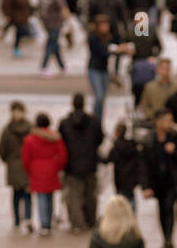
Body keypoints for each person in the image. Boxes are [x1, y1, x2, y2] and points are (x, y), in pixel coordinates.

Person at [139, 109, 177, 248]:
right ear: (157, 122)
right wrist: (145, 186)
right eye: (166, 120)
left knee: (169, 207)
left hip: (172, 181)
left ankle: (168, 238)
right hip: (157, 182)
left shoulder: (176, 137)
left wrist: (174, 152)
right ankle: (165, 237)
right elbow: (143, 166)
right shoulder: (148, 140)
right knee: (161, 210)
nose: (169, 123)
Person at [58, 92, 104, 234]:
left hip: (71, 165)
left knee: (74, 195)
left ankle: (77, 224)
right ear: (84, 104)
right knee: (91, 194)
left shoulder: (65, 123)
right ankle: (90, 221)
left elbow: (60, 143)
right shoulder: (94, 121)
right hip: (90, 163)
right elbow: (99, 139)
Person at [21, 112, 68, 237]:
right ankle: (48, 222)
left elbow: (25, 158)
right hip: (52, 168)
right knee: (50, 196)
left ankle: (44, 224)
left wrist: (29, 170)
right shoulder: (56, 137)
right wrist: (58, 166)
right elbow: (63, 155)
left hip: (36, 169)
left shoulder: (30, 139)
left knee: (41, 197)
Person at [87, 14, 133, 124]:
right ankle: (95, 121)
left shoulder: (109, 37)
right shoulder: (92, 38)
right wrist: (117, 49)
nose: (105, 27)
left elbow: (117, 45)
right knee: (98, 97)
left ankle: (99, 122)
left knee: (102, 99)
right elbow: (103, 51)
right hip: (94, 69)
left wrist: (123, 49)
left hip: (105, 70)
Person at [0, 100, 34, 232]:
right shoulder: (31, 128)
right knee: (27, 194)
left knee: (16, 195)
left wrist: (8, 160)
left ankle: (17, 220)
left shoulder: (7, 130)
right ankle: (28, 218)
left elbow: (2, 150)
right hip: (27, 166)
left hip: (13, 166)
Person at [106, 121, 144, 210]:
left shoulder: (116, 147)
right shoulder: (133, 145)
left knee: (120, 200)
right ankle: (132, 215)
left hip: (120, 179)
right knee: (131, 197)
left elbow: (108, 160)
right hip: (131, 178)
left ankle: (123, 216)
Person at [36, 0, 70, 76]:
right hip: (55, 23)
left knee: (55, 45)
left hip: (47, 23)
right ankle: (44, 67)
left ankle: (62, 66)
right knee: (51, 45)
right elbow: (64, 9)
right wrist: (69, 24)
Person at [139, 57, 177, 121]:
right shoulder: (149, 87)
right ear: (157, 70)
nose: (166, 71)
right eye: (163, 68)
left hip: (173, 122)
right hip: (154, 122)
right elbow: (144, 105)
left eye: (168, 68)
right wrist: (155, 116)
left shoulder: (176, 87)